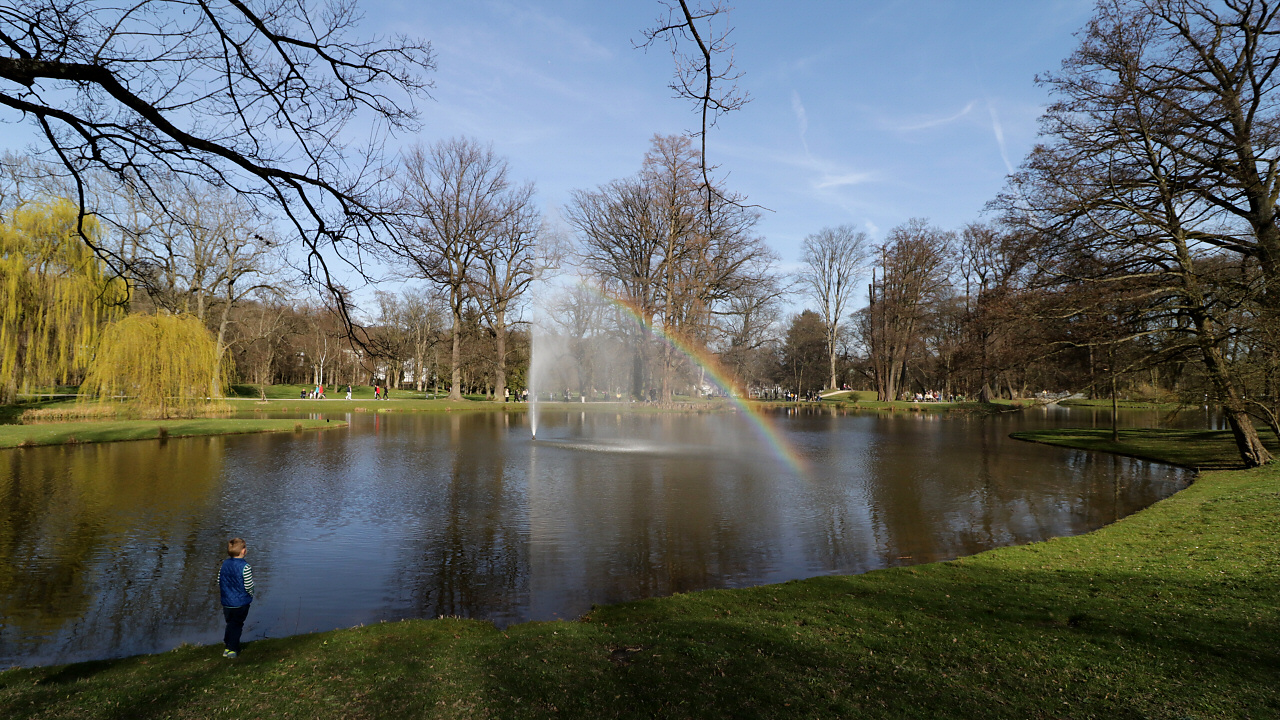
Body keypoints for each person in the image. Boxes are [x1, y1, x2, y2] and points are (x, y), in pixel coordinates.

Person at [217, 537, 255, 659]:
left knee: (230, 623)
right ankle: (232, 648)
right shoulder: (245, 567)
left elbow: (219, 580)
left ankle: (227, 645)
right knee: (237, 624)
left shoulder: (224, 564)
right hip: (241, 602)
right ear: (243, 551)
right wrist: (251, 593)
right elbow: (249, 585)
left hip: (226, 601)